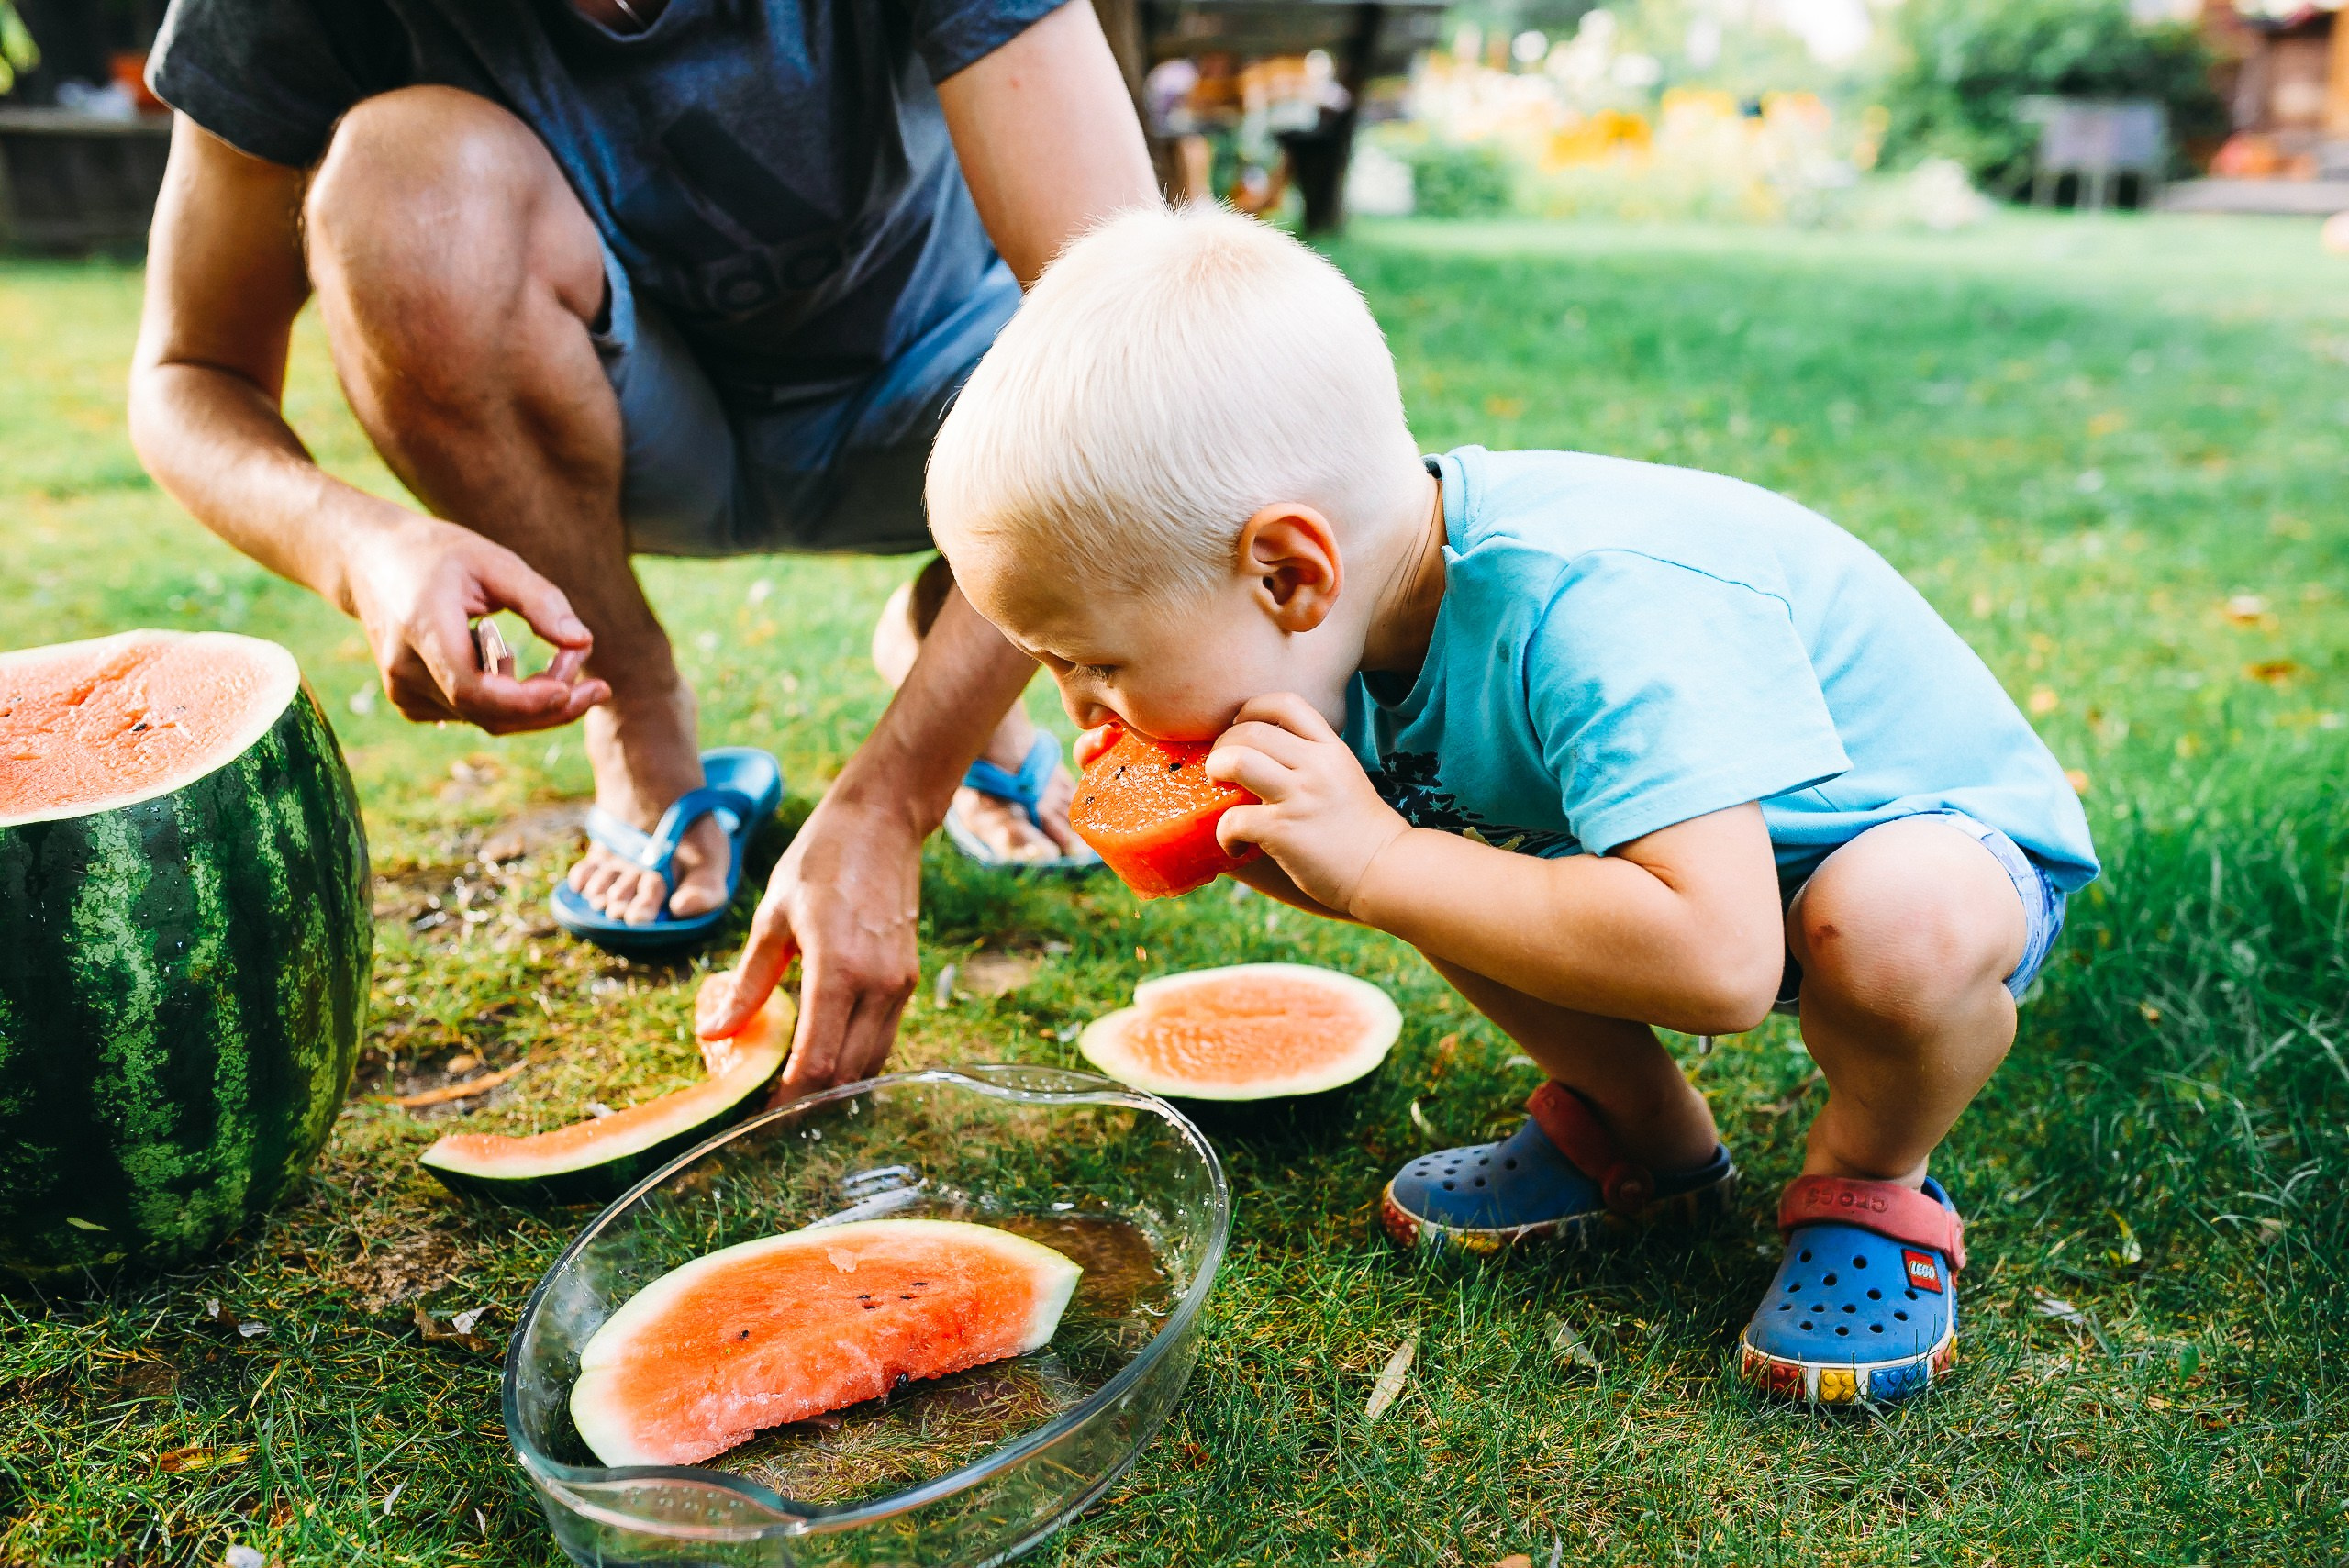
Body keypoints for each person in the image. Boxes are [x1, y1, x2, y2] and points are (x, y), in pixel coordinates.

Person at [909, 204, 2099, 1405]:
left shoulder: (1592, 613)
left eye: (1096, 659)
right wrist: (1314, 859)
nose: (1080, 702)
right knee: (1427, 854)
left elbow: (1725, 963)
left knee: (1895, 928)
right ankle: (1647, 1138)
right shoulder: (1334, 636)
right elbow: (1434, 877)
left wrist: (1374, 862)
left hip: (1922, 849)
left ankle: (1871, 1173)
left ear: (1287, 573)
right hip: (1685, 867)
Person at [127, 0, 1154, 1084]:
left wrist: (895, 797)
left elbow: (1141, 346)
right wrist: (358, 545)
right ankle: (642, 727)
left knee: (1117, 356)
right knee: (398, 181)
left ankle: (961, 649)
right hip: (633, 430)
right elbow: (189, 373)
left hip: (955, 414)